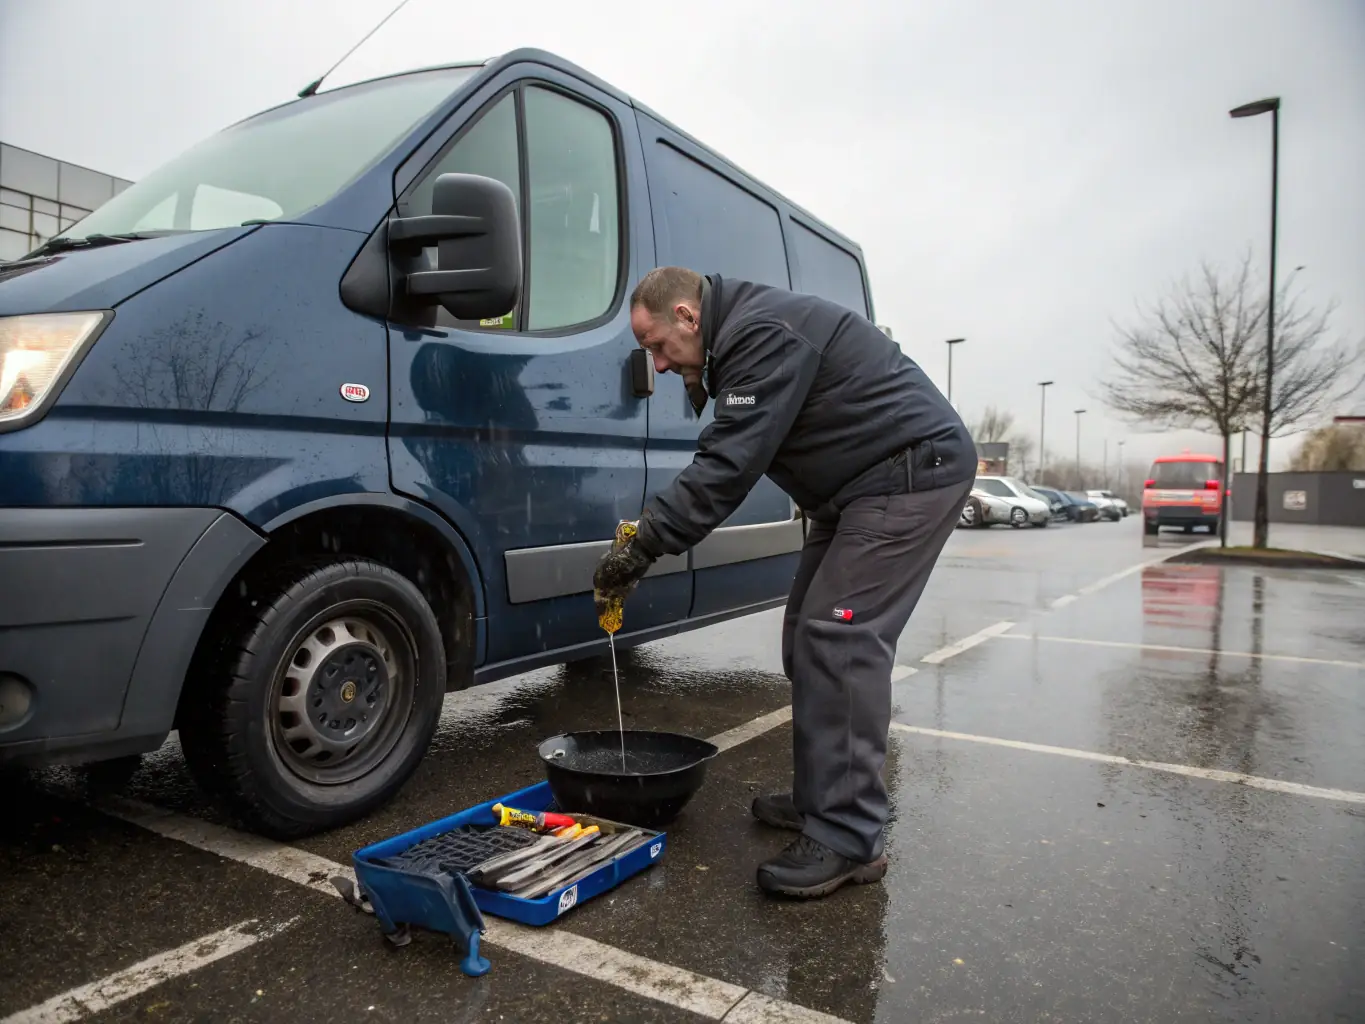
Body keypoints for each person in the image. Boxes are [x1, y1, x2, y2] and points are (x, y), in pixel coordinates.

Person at [593, 267, 975, 900]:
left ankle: (849, 837)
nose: (655, 365)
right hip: (851, 493)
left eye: (658, 346)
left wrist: (643, 544)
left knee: (840, 639)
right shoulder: (742, 334)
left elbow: (727, 466)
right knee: (806, 635)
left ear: (688, 317)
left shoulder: (759, 335)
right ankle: (821, 799)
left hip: (908, 476)